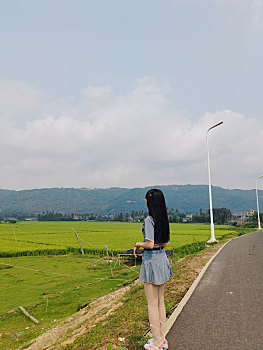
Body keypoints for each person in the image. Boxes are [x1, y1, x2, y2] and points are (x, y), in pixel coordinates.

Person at [134, 189, 173, 350]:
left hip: (151, 261)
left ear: (149, 202)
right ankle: (161, 339)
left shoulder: (149, 220)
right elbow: (163, 243)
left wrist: (137, 244)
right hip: (162, 258)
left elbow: (149, 244)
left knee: (152, 304)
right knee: (160, 302)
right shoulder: (164, 219)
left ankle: (156, 343)